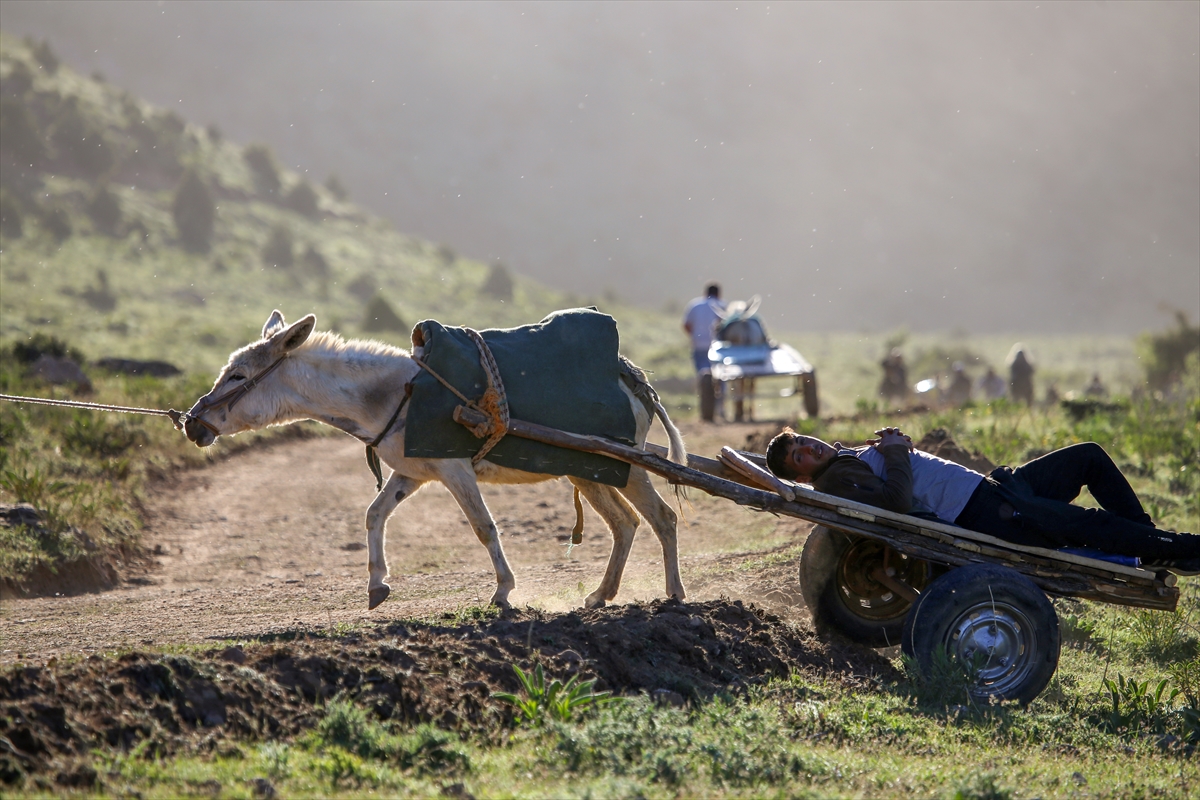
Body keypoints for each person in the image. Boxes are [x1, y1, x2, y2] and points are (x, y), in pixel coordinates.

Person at [764, 427, 1200, 573]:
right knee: (1091, 525)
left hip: (996, 490)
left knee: (1087, 457)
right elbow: (894, 501)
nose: (809, 448)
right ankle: (1176, 548)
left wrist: (895, 446)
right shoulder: (836, 478)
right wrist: (895, 451)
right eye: (800, 456)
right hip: (986, 514)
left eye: (803, 440)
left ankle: (1148, 540)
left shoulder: (843, 458)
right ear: (802, 475)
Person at [682, 282, 726, 421]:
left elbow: (686, 325)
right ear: (718, 294)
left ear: (705, 293)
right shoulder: (723, 306)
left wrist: (695, 336)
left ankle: (705, 408)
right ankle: (720, 408)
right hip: (718, 349)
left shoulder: (695, 305)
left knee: (703, 376)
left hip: (699, 346)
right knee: (720, 378)